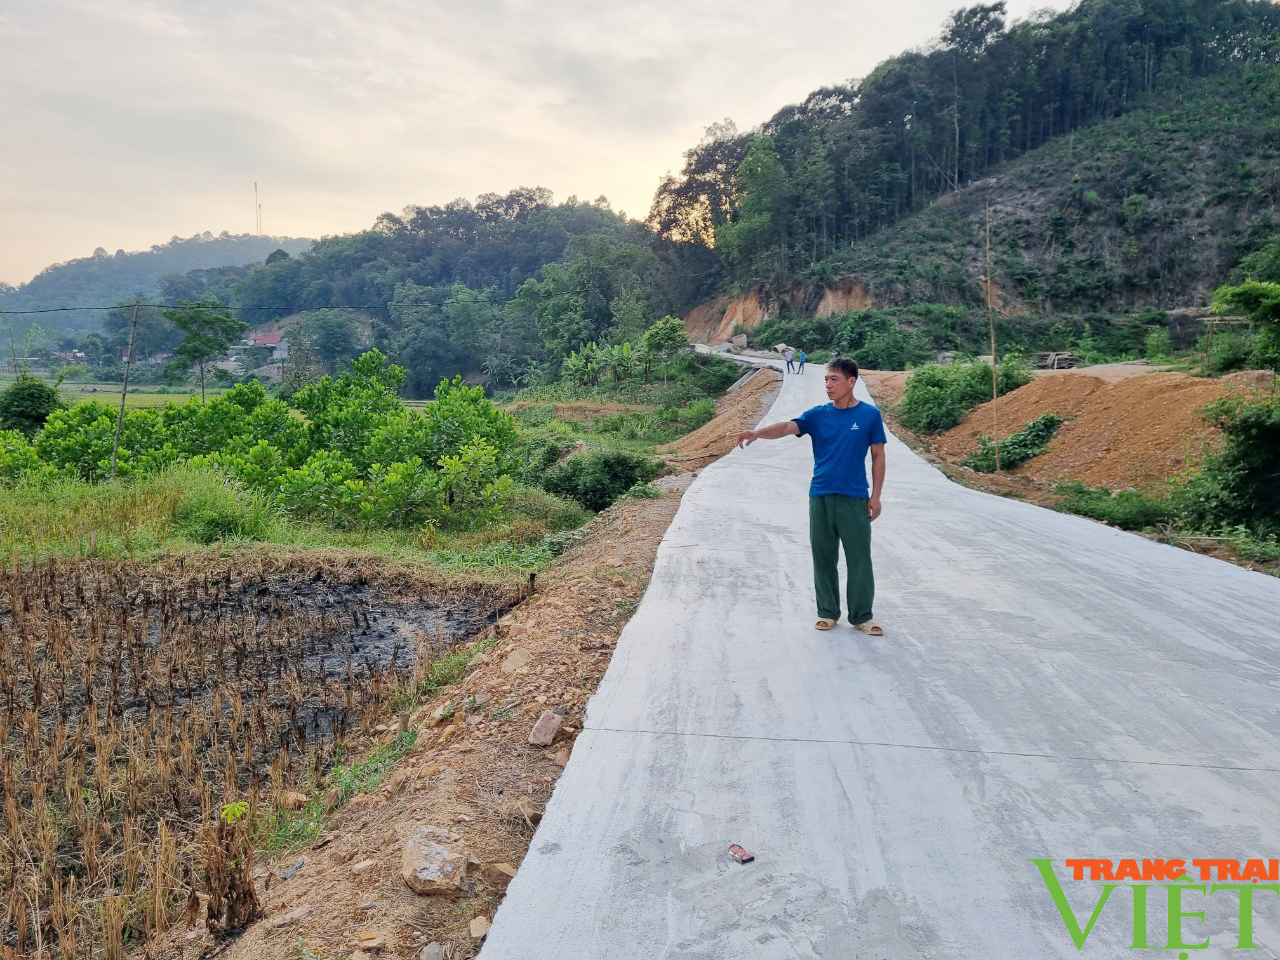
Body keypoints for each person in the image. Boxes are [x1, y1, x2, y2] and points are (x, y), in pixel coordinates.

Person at [736, 357, 887, 634]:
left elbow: (878, 456)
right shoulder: (818, 415)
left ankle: (862, 616)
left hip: (855, 497)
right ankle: (827, 612)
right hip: (821, 496)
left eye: (834, 380)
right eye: (826, 380)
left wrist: (875, 497)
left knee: (860, 558)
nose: (828, 385)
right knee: (823, 556)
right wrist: (757, 432)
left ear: (851, 382)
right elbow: (786, 427)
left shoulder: (868, 416)